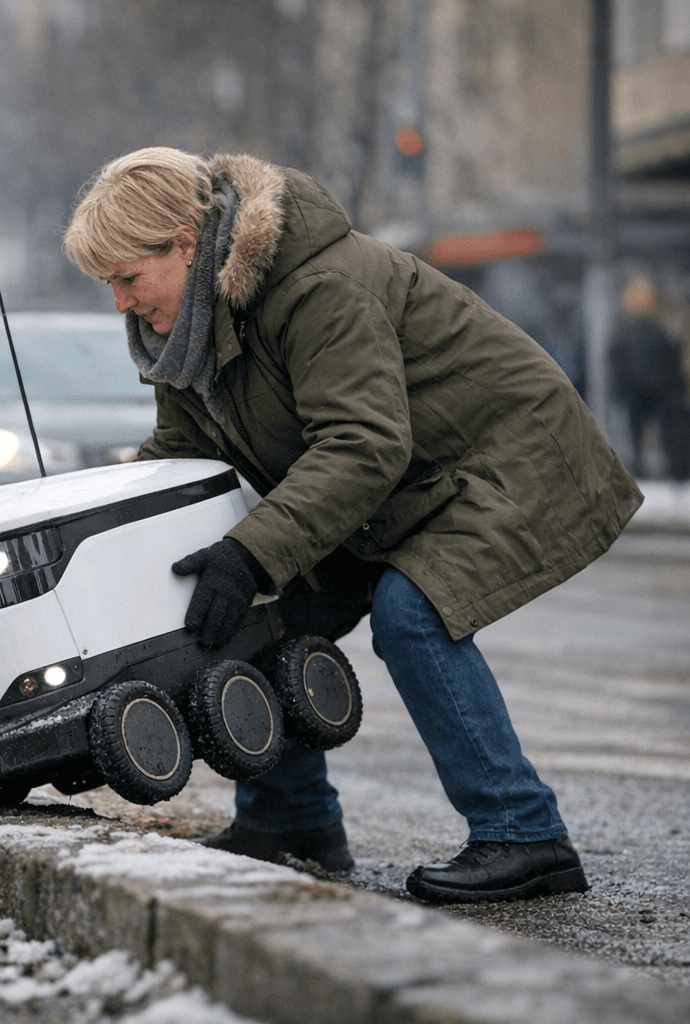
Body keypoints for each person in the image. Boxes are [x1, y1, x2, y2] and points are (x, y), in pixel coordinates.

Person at [61, 148, 641, 904]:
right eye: (107, 285)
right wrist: (101, 535)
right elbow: (178, 457)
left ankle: (524, 835)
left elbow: (364, 443)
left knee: (411, 611)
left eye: (127, 279)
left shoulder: (317, 286)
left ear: (185, 242)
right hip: (396, 487)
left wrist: (253, 552)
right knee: (254, 613)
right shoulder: (186, 333)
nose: (118, 304)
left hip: (500, 454)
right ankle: (293, 821)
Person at [609, 276, 690, 481]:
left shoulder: (628, 332)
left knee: (644, 433)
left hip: (644, 391)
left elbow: (616, 362)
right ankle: (664, 469)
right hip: (651, 391)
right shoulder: (654, 330)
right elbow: (671, 359)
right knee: (653, 433)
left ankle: (649, 468)